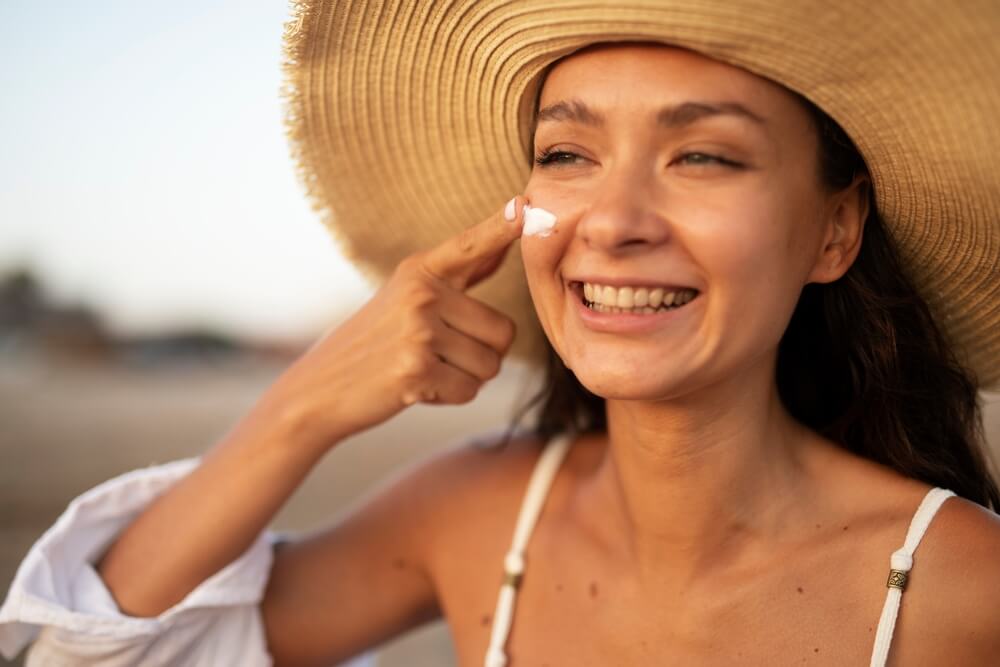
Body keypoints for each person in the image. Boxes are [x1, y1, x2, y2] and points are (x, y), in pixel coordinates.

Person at [3, 1, 1000, 665]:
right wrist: (303, 406)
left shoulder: (964, 587)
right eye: (566, 152)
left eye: (701, 156)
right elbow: (97, 651)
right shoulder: (477, 515)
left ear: (834, 228)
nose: (612, 222)